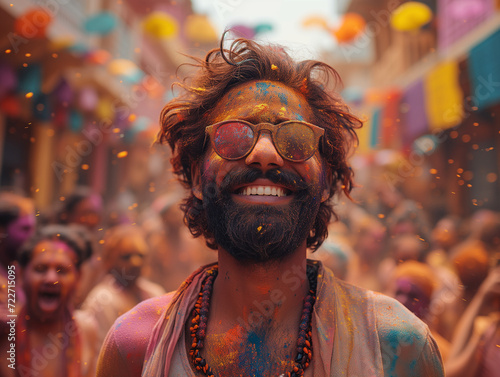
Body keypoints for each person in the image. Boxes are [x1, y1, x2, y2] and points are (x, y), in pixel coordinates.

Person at [97, 37, 444, 376]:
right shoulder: (135, 346)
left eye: (295, 137)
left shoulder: (396, 348)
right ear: (198, 178)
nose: (265, 154)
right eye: (234, 135)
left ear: (324, 182)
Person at [0, 224, 99, 377]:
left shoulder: (86, 329)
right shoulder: (5, 329)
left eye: (62, 270)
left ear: (78, 278)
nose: (51, 279)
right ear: (20, 275)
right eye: (40, 268)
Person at [81, 224, 165, 344]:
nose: (136, 262)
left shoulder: (155, 292)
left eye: (141, 256)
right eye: (126, 257)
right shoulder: (100, 301)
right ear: (109, 260)